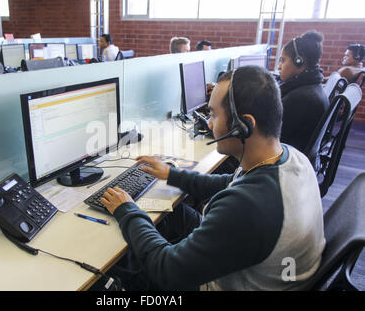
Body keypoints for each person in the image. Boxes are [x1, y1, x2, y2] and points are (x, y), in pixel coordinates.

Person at [101, 65, 326, 291]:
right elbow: (230, 182)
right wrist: (171, 174)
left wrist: (127, 211)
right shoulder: (290, 157)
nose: (209, 123)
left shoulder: (246, 206)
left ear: (243, 126)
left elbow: (166, 270)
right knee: (172, 214)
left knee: (114, 275)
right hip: (261, 265)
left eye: (214, 114)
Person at [278, 31, 329, 153]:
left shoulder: (301, 99)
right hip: (298, 156)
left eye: (283, 60)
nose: (279, 66)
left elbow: (272, 139)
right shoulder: (312, 88)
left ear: (299, 60)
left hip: (285, 162)